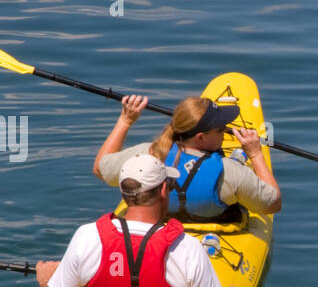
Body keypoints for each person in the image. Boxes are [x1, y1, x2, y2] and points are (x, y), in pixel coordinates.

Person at [37, 154, 251, 287]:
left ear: (123, 193)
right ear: (164, 191)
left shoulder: (86, 237)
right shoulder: (186, 248)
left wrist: (48, 282)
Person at [92, 94, 281, 219]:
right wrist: (256, 154)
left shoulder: (145, 155)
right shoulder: (229, 171)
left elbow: (100, 169)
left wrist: (125, 121)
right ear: (201, 137)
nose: (225, 133)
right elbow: (273, 204)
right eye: (221, 129)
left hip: (157, 230)